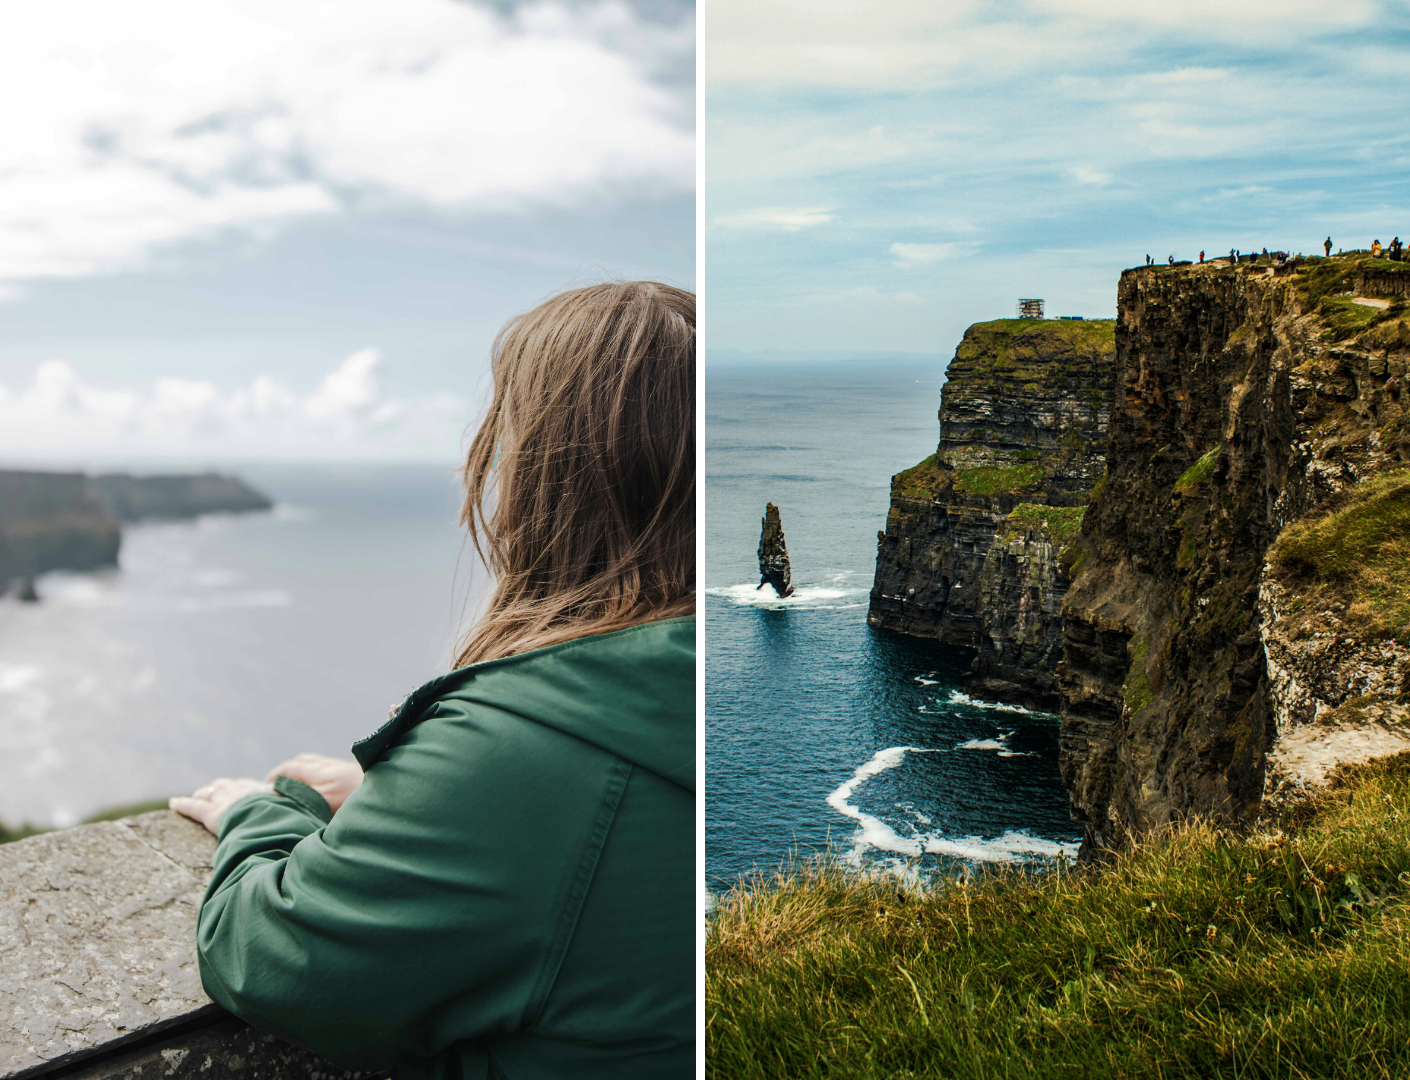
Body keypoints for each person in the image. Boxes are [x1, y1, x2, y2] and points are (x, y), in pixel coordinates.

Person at [170, 281, 697, 1079]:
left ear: (546, 473)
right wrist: (416, 799)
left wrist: (257, 815)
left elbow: (267, 954)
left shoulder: (521, 749)